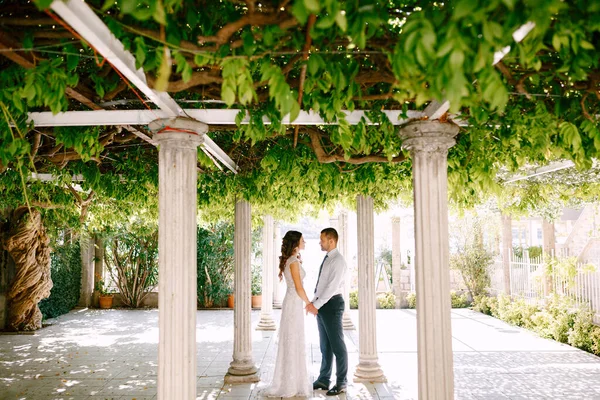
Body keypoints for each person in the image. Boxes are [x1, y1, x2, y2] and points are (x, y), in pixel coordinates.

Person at [264, 230, 312, 397]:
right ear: (296, 243)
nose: (305, 242)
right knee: (293, 339)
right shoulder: (293, 262)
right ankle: (290, 384)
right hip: (294, 302)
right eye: (303, 239)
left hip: (292, 302)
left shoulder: (291, 260)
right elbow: (299, 288)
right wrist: (310, 304)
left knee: (293, 339)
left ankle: (292, 381)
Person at [305, 227, 348, 396]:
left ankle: (342, 382)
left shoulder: (338, 261)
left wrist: (317, 305)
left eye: (322, 240)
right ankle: (324, 379)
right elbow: (322, 285)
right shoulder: (328, 258)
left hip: (332, 304)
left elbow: (331, 288)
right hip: (323, 305)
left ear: (331, 241)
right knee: (325, 346)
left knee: (338, 346)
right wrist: (315, 302)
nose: (319, 243)